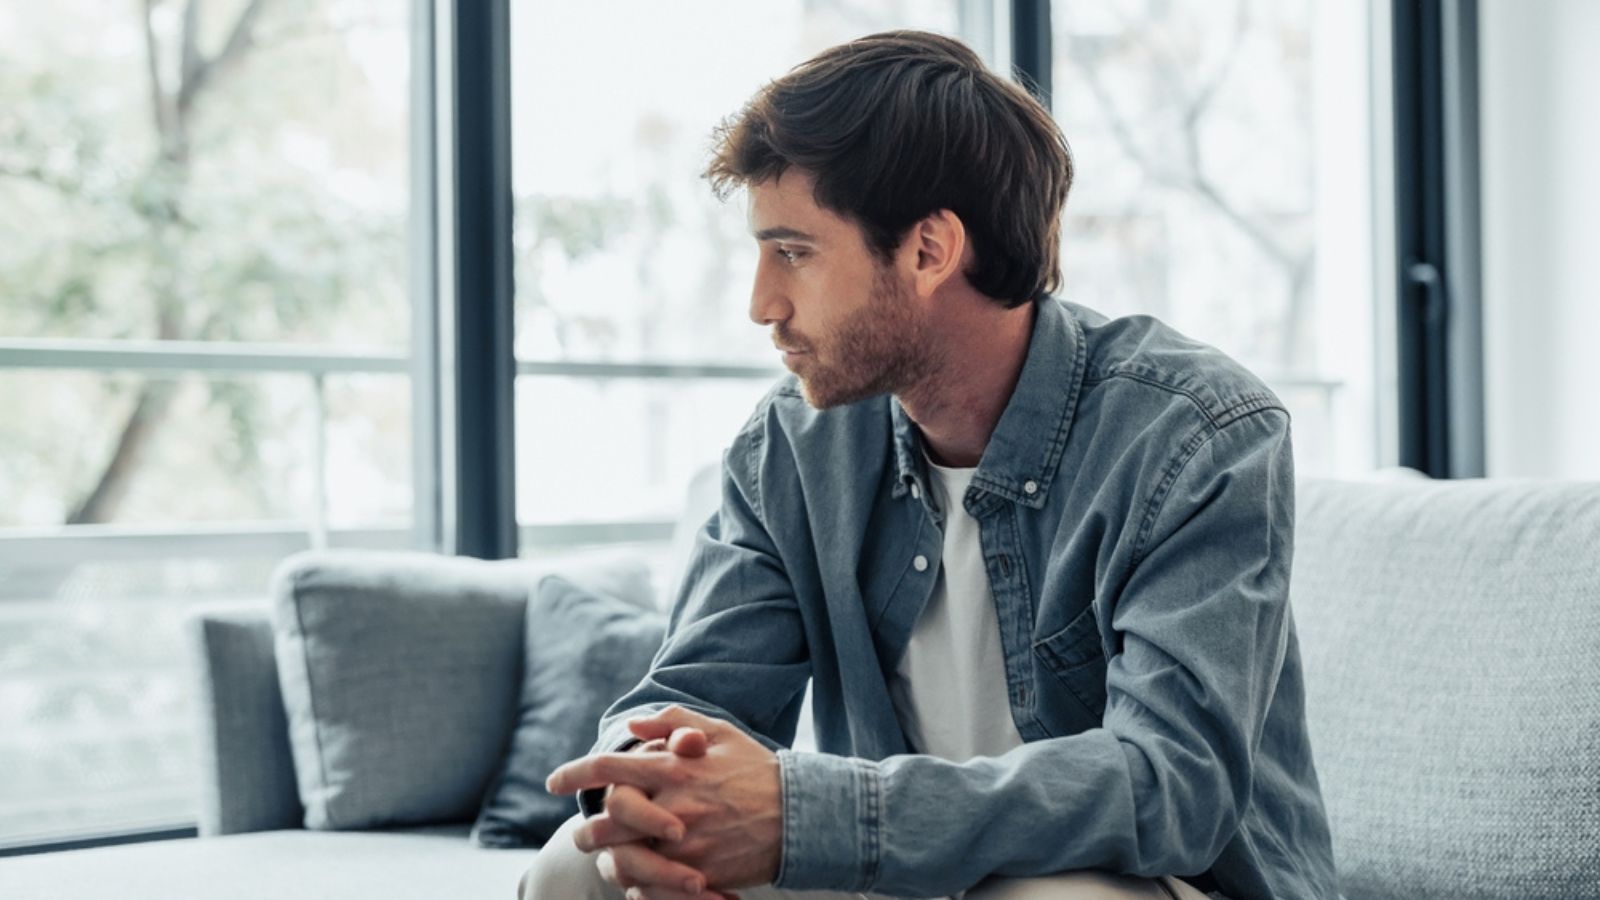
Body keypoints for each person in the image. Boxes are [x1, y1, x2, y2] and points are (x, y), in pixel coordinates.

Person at [520, 29, 1337, 900]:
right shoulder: (794, 448)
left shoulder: (1195, 436)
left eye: (793, 252)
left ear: (929, 250)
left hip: (1150, 880)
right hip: (894, 874)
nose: (761, 303)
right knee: (583, 868)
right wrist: (651, 785)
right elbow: (692, 695)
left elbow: (1172, 786)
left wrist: (811, 814)